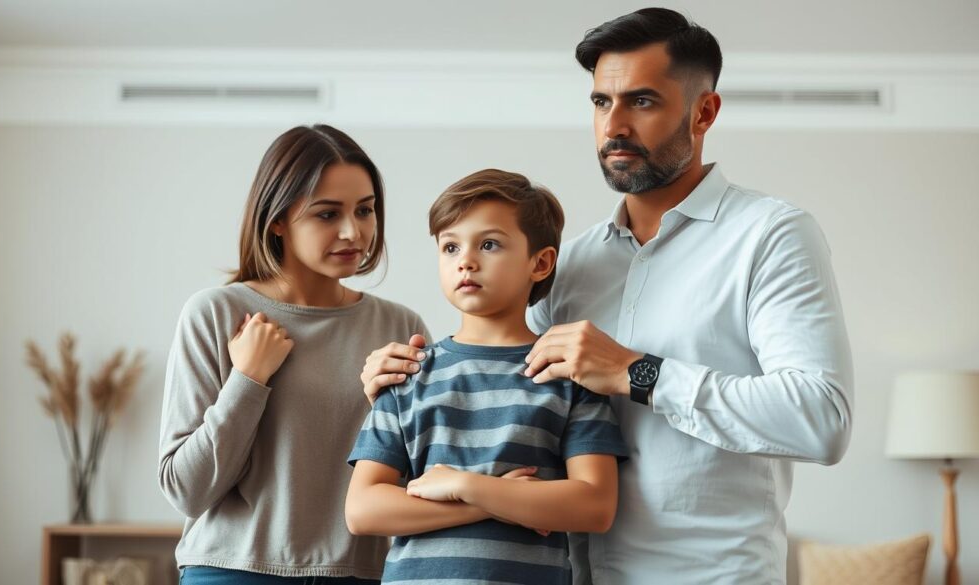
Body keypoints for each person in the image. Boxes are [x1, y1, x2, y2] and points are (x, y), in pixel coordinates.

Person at [360, 8, 854, 584]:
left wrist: (638, 373)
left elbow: (823, 419)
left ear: (704, 112)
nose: (613, 125)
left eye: (641, 102)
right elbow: (508, 381)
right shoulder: (569, 263)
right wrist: (394, 376)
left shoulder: (770, 235)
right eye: (600, 102)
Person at [158, 124, 430, 584]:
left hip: (360, 573)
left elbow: (416, 480)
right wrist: (247, 379)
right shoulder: (216, 314)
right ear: (277, 219)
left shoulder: (399, 328)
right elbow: (186, 490)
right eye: (327, 214)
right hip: (232, 571)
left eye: (365, 210)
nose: (353, 231)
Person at [345, 169, 629, 585]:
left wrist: (464, 484)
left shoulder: (566, 375)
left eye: (490, 244)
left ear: (541, 262)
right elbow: (364, 509)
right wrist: (486, 502)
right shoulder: (408, 374)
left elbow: (595, 506)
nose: (466, 261)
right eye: (450, 247)